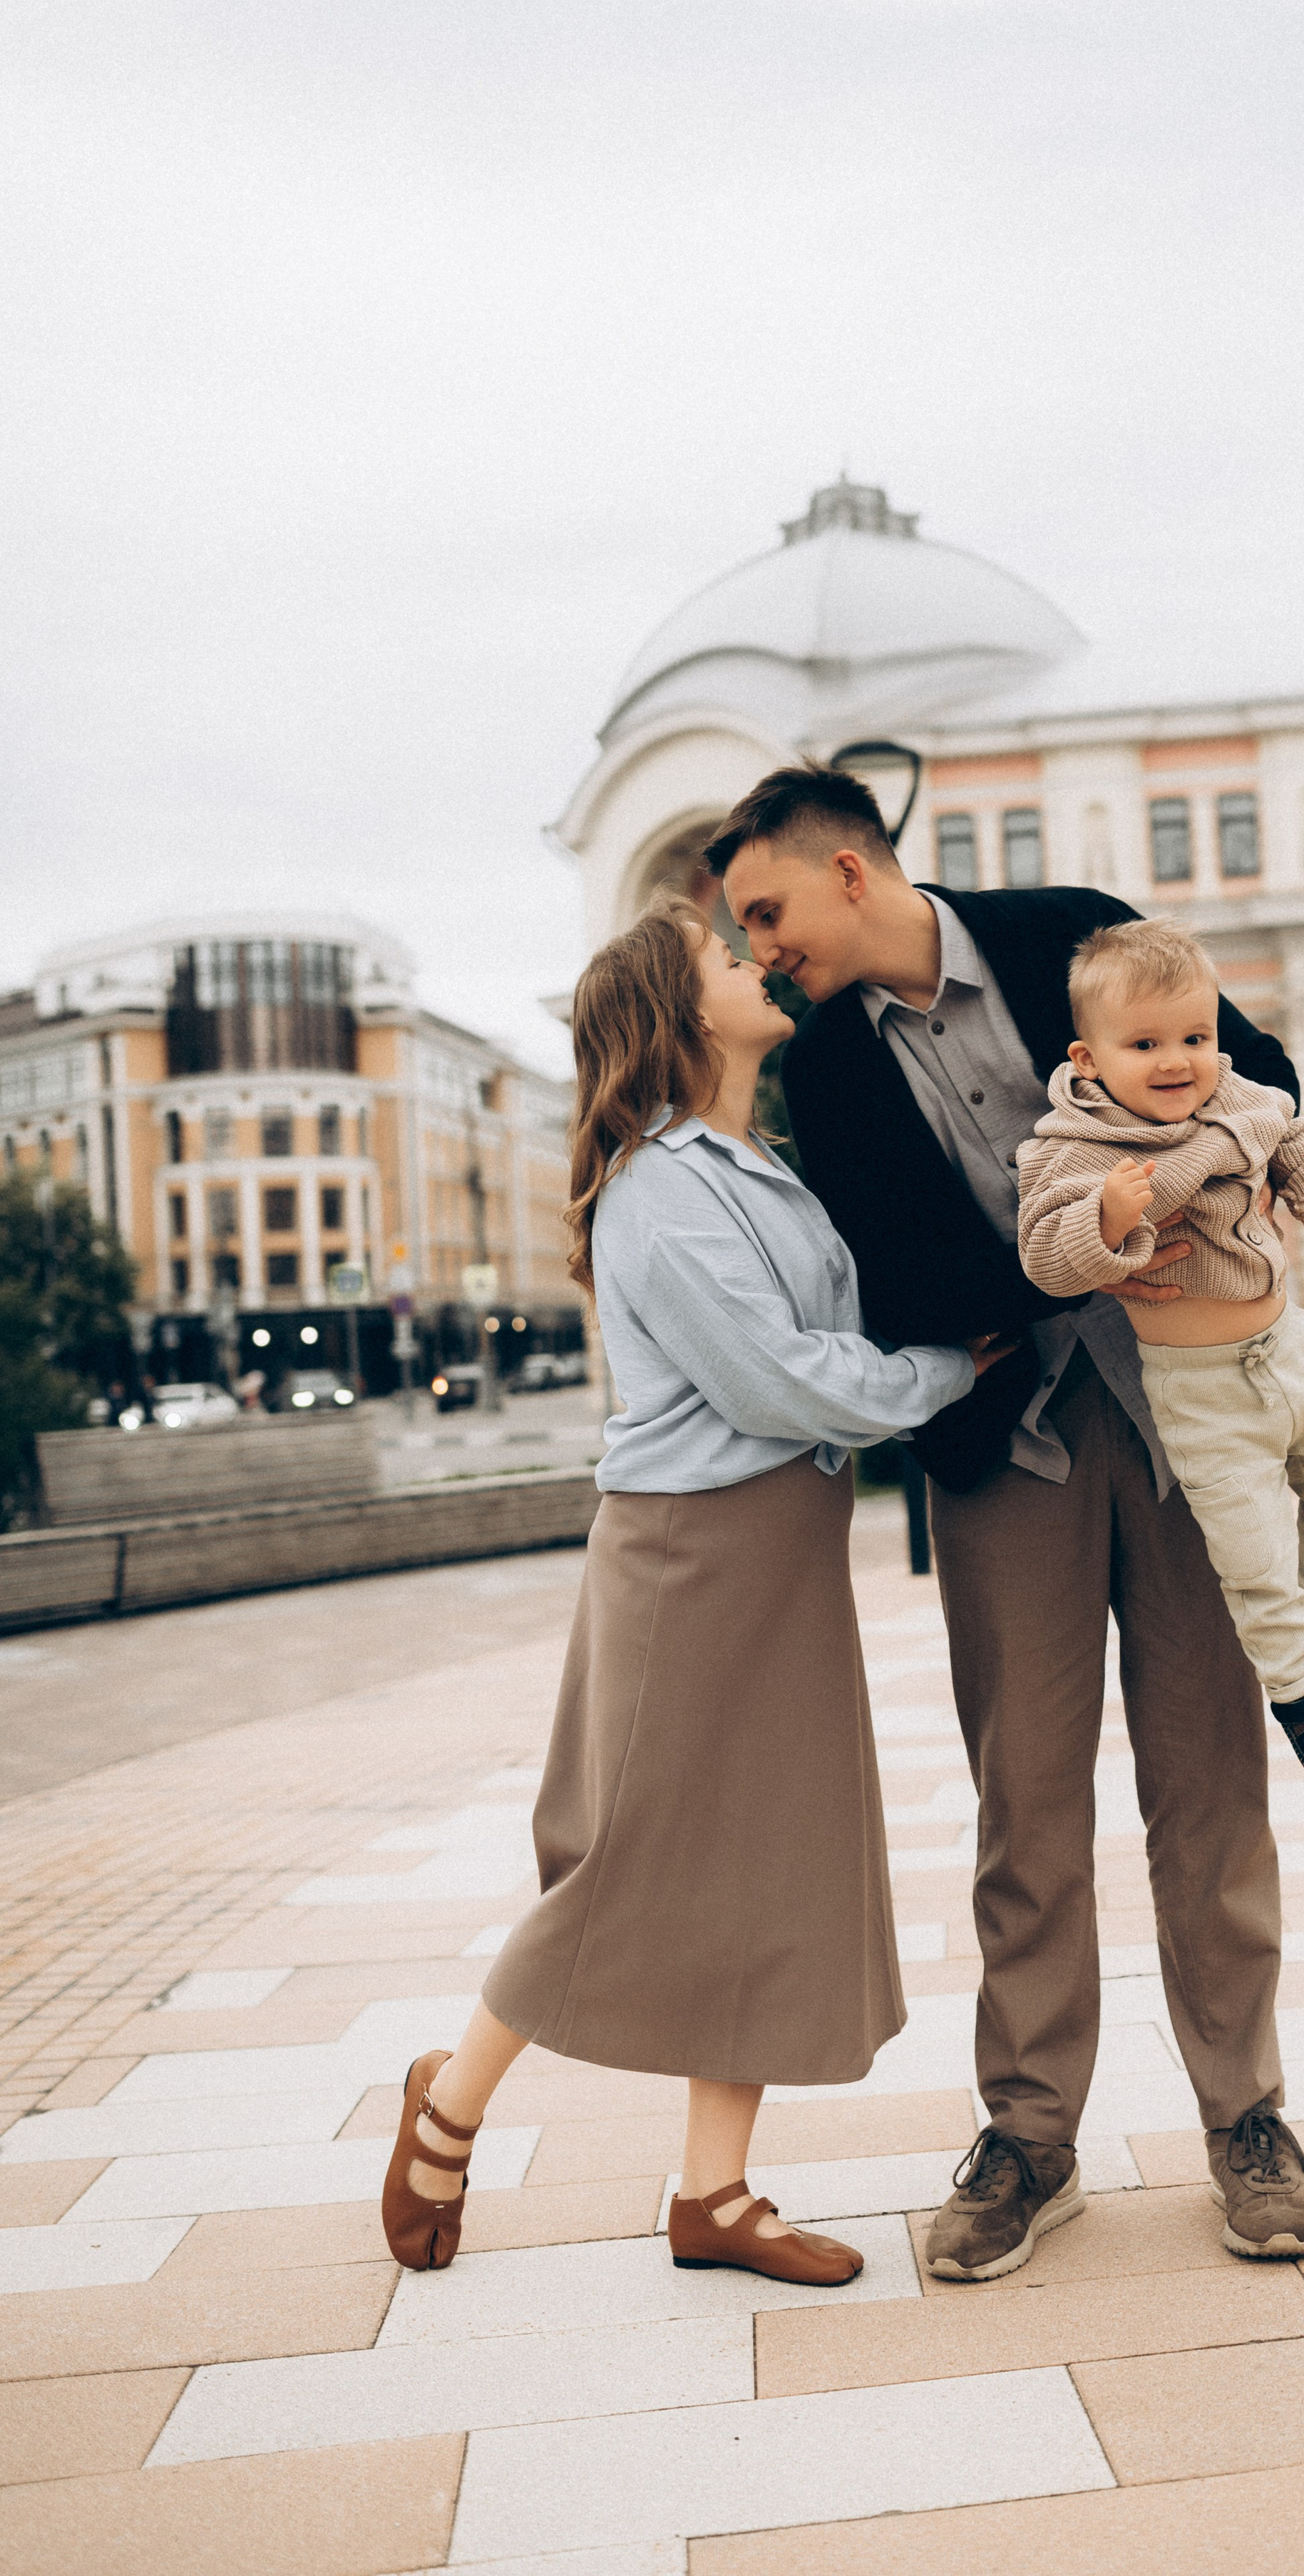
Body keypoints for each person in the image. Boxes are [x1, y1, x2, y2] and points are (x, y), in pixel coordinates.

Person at [711, 764, 1304, 2270]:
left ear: (848, 871)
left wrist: (1209, 1192)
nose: (758, 950)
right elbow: (891, 1276)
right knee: (1025, 1807)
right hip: (1008, 1452)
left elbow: (1262, 1079)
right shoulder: (829, 1070)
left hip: (1192, 1424)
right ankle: (1030, 2133)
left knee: (1209, 1791)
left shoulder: (1076, 931)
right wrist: (1071, 1262)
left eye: (765, 913)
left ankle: (1245, 2115)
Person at [381, 895, 1004, 2286]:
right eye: (730, 956)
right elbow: (772, 1379)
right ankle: (450, 2099)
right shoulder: (659, 1188)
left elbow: (820, 1338)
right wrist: (950, 1374)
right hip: (690, 1556)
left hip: (781, 1550)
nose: (759, 961)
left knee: (770, 1860)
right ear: (674, 1012)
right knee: (630, 1862)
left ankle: (713, 2197)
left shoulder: (755, 1161)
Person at [1017, 916, 1304, 1787]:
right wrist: (1107, 1219)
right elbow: (1042, 1255)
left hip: (1287, 1344)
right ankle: (1302, 1695)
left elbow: (1292, 1135)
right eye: (1145, 1042)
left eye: (1195, 1036)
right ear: (1087, 1058)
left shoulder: (1234, 1098)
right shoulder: (1072, 1147)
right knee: (1251, 1549)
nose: (1176, 1061)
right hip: (1199, 1387)